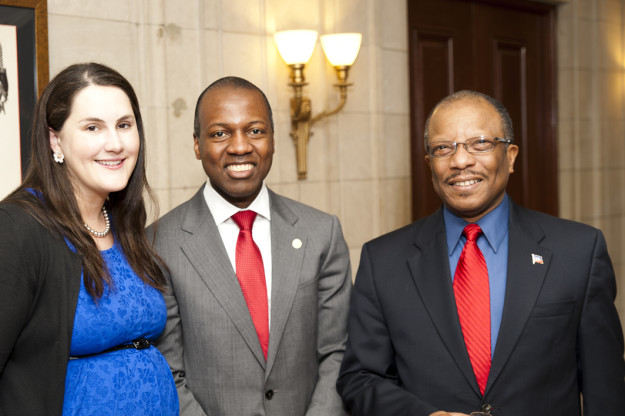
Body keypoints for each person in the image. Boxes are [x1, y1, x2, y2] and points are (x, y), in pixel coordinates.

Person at [337, 90, 625, 416]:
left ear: (511, 156)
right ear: (429, 163)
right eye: (443, 148)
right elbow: (360, 379)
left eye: (480, 144)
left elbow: (606, 389)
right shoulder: (383, 261)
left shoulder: (578, 252)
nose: (460, 161)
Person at [150, 76, 352, 416]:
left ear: (273, 139)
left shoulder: (322, 233)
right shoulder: (158, 244)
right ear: (197, 145)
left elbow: (338, 352)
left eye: (255, 131)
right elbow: (167, 371)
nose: (240, 146)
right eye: (220, 133)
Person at [0, 62, 178, 415]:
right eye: (93, 127)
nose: (115, 143)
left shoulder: (125, 220)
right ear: (55, 140)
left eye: (124, 125)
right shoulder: (18, 228)